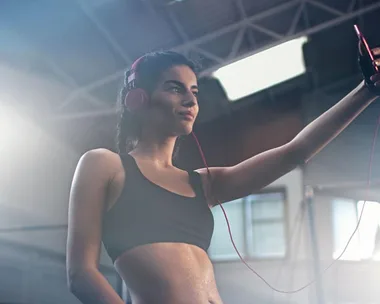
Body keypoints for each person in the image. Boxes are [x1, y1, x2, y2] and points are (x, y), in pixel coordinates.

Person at [66, 48, 380, 304]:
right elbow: (81, 274)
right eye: (175, 88)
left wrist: (367, 91)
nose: (190, 100)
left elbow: (293, 153)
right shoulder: (104, 165)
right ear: (138, 98)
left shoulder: (203, 183)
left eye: (194, 92)